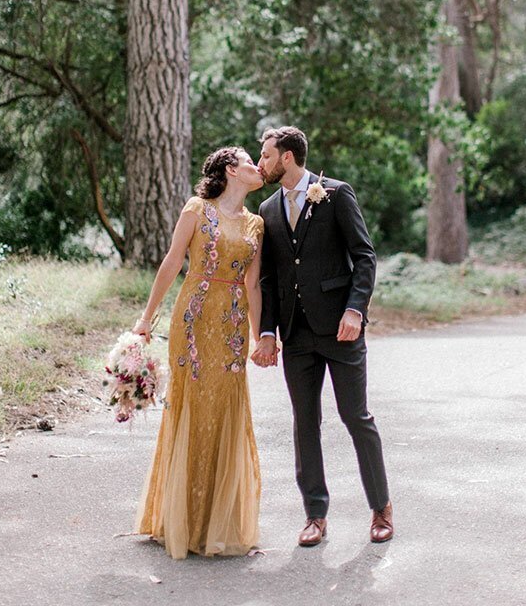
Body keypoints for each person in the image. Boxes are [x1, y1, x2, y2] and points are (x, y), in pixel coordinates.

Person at [251, 126, 393, 546]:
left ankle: (381, 508)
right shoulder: (268, 209)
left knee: (356, 418)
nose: (261, 164)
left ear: (288, 157)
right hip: (296, 335)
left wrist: (355, 308)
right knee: (305, 423)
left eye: (265, 156)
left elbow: (364, 256)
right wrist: (267, 332)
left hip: (341, 329)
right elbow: (271, 277)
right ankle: (315, 515)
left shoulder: (335, 193)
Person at [133, 147, 265, 560]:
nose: (258, 166)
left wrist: (261, 338)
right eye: (249, 161)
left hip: (230, 327)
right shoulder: (197, 208)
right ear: (231, 170)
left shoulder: (257, 224)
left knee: (223, 407)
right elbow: (173, 262)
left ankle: (215, 522)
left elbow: (254, 285)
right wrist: (146, 319)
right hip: (192, 318)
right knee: (191, 405)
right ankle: (180, 517)